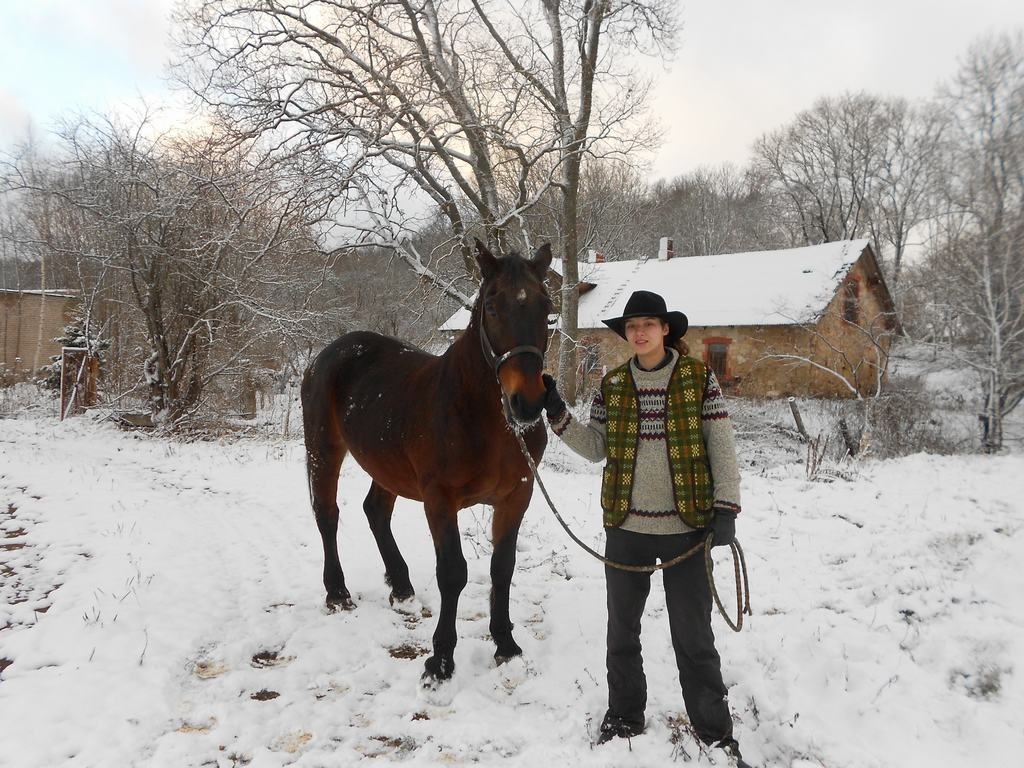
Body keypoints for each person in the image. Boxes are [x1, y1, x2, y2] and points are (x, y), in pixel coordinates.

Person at [542, 290, 745, 761]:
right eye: (632, 326)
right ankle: (625, 717)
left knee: (694, 636)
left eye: (648, 324)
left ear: (665, 329)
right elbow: (595, 448)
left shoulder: (698, 380)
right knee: (622, 631)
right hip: (626, 529)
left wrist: (726, 510)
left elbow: (722, 445)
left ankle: (714, 732)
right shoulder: (612, 386)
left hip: (687, 528)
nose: (640, 332)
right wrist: (555, 413)